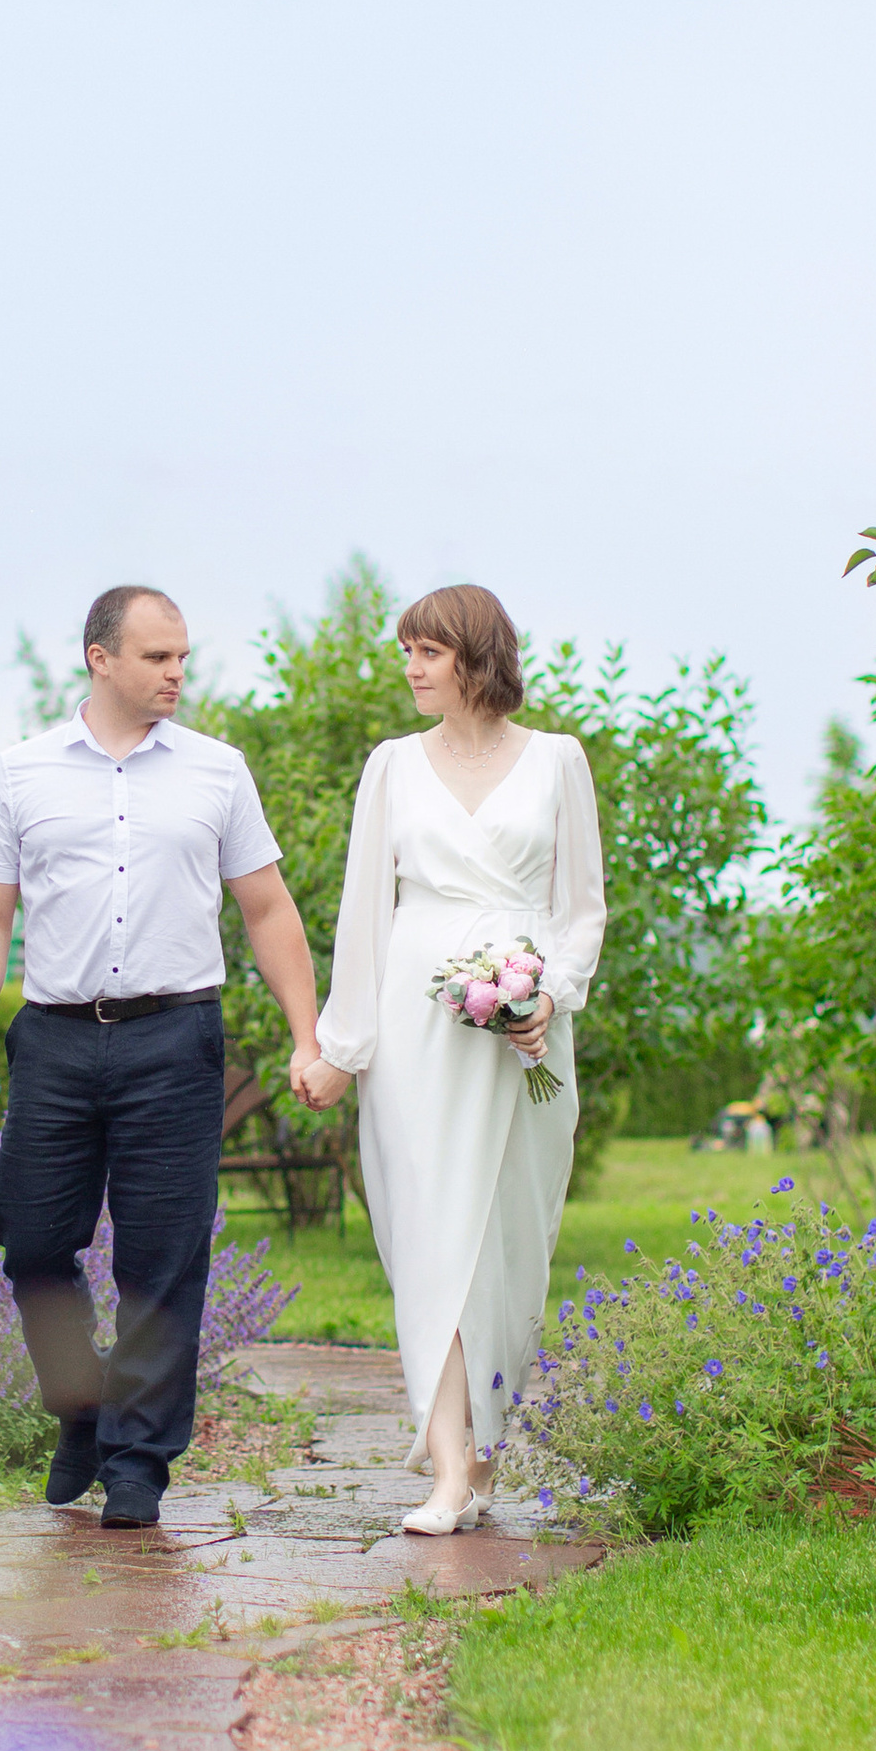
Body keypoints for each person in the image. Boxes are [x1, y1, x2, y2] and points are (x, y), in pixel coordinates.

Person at [0, 585, 324, 1528]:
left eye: (183, 657)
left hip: (175, 1038)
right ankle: (82, 1404)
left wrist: (308, 1035)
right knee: (30, 1239)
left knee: (162, 1259)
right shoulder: (22, 772)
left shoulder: (217, 772)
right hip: (57, 1039)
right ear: (99, 658)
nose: (176, 674)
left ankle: (138, 1462)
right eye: (158, 658)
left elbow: (268, 909)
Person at [290, 584, 606, 1533]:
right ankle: (448, 1467)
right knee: (431, 1236)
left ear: (474, 656)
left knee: (509, 1241)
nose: (412, 670)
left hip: (524, 1032)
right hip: (417, 1027)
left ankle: (488, 1443)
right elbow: (363, 916)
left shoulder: (558, 762)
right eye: (408, 654)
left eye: (427, 653)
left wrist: (547, 996)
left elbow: (580, 907)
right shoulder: (391, 766)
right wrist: (345, 1045)